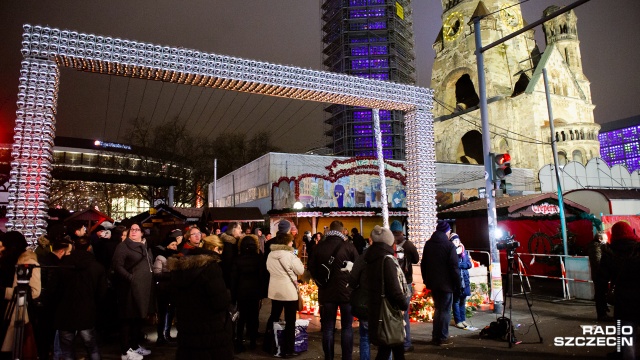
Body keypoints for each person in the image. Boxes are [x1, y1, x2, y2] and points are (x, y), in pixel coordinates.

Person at [168, 234, 233, 360]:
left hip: (187, 329)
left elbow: (174, 298)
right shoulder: (211, 268)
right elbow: (220, 302)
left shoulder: (179, 270)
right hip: (210, 330)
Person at [308, 220, 358, 360]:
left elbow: (311, 267)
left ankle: (329, 357)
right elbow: (358, 267)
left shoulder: (319, 247)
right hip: (346, 293)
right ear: (342, 231)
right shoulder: (349, 247)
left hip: (326, 292)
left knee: (328, 328)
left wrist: (319, 281)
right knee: (347, 327)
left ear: (330, 231)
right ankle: (346, 357)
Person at [54, 236, 107, 360]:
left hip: (65, 312)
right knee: (92, 348)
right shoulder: (97, 267)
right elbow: (102, 293)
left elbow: (55, 289)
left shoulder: (62, 265)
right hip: (86, 311)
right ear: (89, 248)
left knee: (67, 350)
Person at [364, 225, 409, 360]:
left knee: (386, 348)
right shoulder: (387, 260)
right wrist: (403, 303)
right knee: (395, 346)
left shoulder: (369, 257)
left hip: (376, 308)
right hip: (389, 311)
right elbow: (394, 289)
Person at [111, 223, 154, 360]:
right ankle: (125, 350)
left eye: (137, 230)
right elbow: (117, 266)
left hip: (142, 288)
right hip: (128, 289)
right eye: (132, 229)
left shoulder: (144, 246)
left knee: (137, 318)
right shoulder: (123, 246)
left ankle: (134, 346)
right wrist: (131, 278)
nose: (134, 232)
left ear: (142, 233)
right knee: (127, 319)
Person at [602, 221, 640, 359]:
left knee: (626, 335)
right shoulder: (638, 249)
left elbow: (602, 279)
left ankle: (623, 354)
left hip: (623, 300)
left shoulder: (609, 253)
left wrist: (601, 304)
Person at [1, 232, 41, 357]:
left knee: (12, 350)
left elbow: (34, 291)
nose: (1, 248)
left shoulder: (27, 261)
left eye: (3, 246)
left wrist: (4, 292)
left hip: (15, 311)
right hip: (4, 309)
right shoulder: (6, 259)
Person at [420, 220, 459, 346]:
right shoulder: (449, 246)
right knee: (445, 310)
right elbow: (454, 267)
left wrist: (426, 279)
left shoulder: (428, 244)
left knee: (438, 309)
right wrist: (457, 283)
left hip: (433, 283)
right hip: (447, 284)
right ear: (446, 231)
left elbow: (423, 264)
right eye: (449, 231)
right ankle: (442, 337)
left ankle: (435, 336)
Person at [266, 233, 305, 358]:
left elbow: (268, 269)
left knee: (274, 316)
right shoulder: (290, 255)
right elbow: (300, 270)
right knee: (290, 321)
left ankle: (269, 344)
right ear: (287, 243)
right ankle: (288, 349)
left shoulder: (270, 255)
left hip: (274, 291)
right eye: (291, 241)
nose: (292, 243)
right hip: (288, 292)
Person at [34, 237, 72, 360]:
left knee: (43, 333)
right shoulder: (59, 265)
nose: (69, 255)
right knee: (49, 333)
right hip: (51, 304)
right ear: (62, 251)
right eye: (69, 252)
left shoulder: (42, 260)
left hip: (42, 303)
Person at [232, 234, 266, 352]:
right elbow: (262, 276)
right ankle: (252, 341)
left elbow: (234, 278)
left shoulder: (237, 259)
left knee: (242, 317)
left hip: (241, 291)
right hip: (255, 291)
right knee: (254, 316)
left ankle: (239, 340)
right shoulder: (259, 258)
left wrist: (234, 293)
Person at [389, 220, 419, 352]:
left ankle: (392, 340)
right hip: (405, 282)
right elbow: (416, 259)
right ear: (402, 231)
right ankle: (406, 343)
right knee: (404, 313)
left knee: (392, 313)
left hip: (392, 283)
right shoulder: (409, 245)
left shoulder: (388, 244)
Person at [348, 235, 373, 360]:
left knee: (365, 337)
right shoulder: (389, 258)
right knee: (386, 340)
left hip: (365, 303)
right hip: (384, 305)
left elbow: (352, 280)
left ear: (370, 240)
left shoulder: (362, 258)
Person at [153, 231, 180, 344]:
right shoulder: (161, 257)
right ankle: (161, 336)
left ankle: (167, 334)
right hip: (164, 289)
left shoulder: (176, 257)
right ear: (167, 246)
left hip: (173, 288)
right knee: (163, 312)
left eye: (176, 245)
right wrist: (171, 274)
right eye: (173, 245)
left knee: (171, 312)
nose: (175, 247)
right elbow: (157, 273)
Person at [587, 231, 612, 321]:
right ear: (600, 239)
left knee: (602, 294)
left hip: (601, 275)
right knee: (600, 295)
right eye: (605, 239)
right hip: (599, 275)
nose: (607, 241)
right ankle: (602, 315)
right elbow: (598, 262)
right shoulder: (595, 247)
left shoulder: (600, 246)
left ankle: (603, 313)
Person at [450, 233, 472, 329]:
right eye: (454, 241)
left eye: (457, 240)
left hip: (465, 279)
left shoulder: (464, 251)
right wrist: (460, 264)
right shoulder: (451, 252)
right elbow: (452, 265)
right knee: (456, 301)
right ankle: (458, 320)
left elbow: (469, 264)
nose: (456, 242)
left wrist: (461, 264)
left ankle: (463, 320)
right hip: (456, 279)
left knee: (463, 300)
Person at [220, 222, 243, 289]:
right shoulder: (228, 244)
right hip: (230, 280)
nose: (241, 230)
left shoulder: (235, 242)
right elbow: (228, 265)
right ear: (232, 230)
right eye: (239, 228)